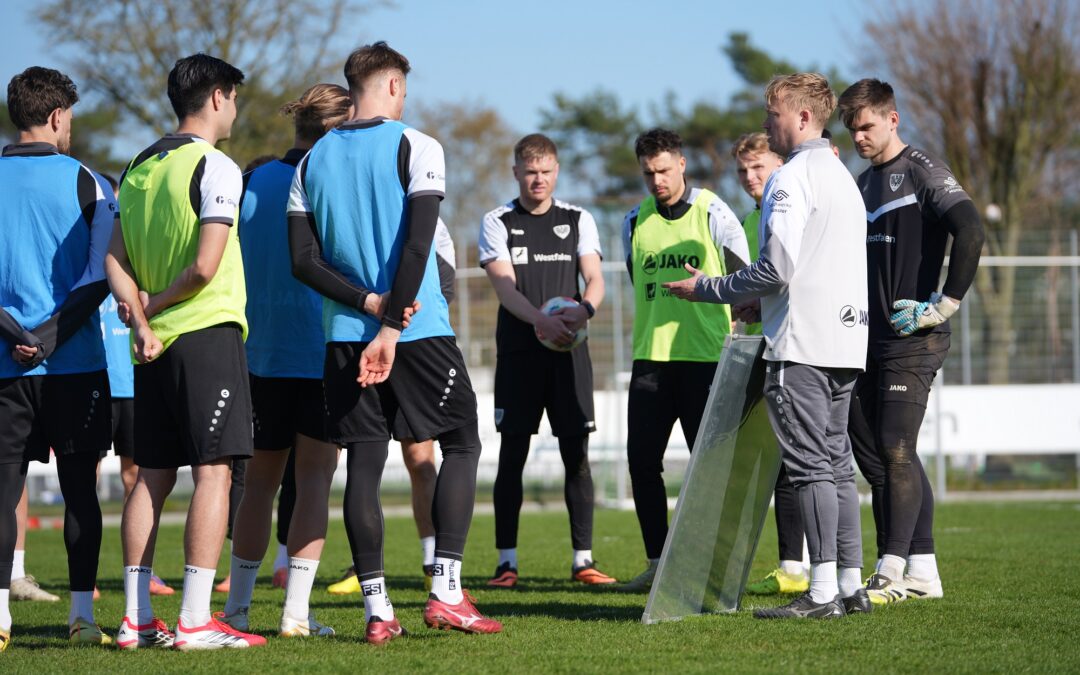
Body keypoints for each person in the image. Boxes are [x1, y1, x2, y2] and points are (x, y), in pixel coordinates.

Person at [288, 41, 501, 643]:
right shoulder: (417, 144)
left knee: (363, 462)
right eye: (403, 86)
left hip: (342, 337)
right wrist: (390, 326)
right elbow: (418, 245)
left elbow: (303, 262)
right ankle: (447, 592)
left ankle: (378, 611)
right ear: (390, 86)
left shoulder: (311, 160)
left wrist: (363, 306)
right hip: (418, 330)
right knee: (461, 441)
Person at [664, 72, 870, 619]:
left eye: (772, 112)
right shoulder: (844, 176)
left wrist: (707, 289)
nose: (764, 122)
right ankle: (850, 584)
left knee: (809, 467)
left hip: (802, 344)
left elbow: (777, 268)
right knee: (836, 462)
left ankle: (822, 593)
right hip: (847, 341)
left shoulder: (792, 177)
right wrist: (762, 302)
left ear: (802, 117)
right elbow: (817, 266)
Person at [107, 53, 264, 650]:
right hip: (204, 334)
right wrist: (162, 309)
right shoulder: (218, 167)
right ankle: (196, 619)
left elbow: (113, 261)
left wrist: (142, 317)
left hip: (150, 348)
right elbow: (204, 268)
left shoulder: (139, 165)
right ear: (219, 97)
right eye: (234, 98)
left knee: (150, 477)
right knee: (214, 472)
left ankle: (136, 618)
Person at [837, 78, 984, 605]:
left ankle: (891, 570)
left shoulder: (923, 169)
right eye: (852, 129)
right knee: (880, 457)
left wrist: (942, 305)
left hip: (914, 337)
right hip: (867, 341)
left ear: (892, 119)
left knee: (897, 448)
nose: (859, 137)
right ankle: (923, 570)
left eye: (868, 126)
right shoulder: (859, 185)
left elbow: (971, 230)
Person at [217, 85, 351, 638]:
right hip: (320, 353)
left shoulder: (253, 180)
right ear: (336, 129)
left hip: (260, 355)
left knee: (259, 485)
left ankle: (238, 611)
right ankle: (295, 613)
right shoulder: (330, 182)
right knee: (315, 479)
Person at [0, 67, 115, 652]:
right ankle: (81, 617)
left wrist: (14, 331)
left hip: (4, 366)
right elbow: (101, 276)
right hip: (72, 363)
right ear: (55, 117)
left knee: (1, 492)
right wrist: (48, 336)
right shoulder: (89, 181)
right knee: (80, 492)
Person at [479, 133, 614, 588]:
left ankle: (583, 560)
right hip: (519, 355)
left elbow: (594, 277)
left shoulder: (578, 219)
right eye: (530, 171)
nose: (538, 179)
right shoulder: (498, 220)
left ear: (557, 172)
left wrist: (584, 310)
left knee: (576, 455)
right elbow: (504, 287)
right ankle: (506, 562)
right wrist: (542, 321)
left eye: (546, 171)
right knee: (512, 455)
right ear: (516, 172)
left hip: (569, 355)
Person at [619, 128, 749, 592]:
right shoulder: (634, 221)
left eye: (664, 170)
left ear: (681, 165)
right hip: (650, 360)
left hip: (705, 360)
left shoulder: (714, 211)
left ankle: (711, 568)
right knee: (641, 462)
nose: (656, 180)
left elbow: (744, 277)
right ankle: (657, 563)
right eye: (648, 172)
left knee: (707, 470)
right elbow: (640, 283)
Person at [327, 217, 456, 596]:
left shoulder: (428, 217)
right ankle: (364, 568)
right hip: (355, 346)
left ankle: (434, 565)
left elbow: (442, 283)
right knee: (364, 460)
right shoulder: (347, 209)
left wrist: (405, 328)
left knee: (420, 459)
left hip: (411, 348)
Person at [729, 132, 810, 597]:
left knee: (812, 461)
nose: (749, 178)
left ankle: (841, 566)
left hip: (802, 347)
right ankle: (791, 567)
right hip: (761, 350)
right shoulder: (745, 220)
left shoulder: (792, 206)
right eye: (742, 171)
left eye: (758, 168)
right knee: (772, 463)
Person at [96, 173, 176, 599]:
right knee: (83, 477)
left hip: (133, 377)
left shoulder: (138, 250)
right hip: (97, 378)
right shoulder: (95, 256)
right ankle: (83, 577)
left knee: (137, 477)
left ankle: (146, 574)